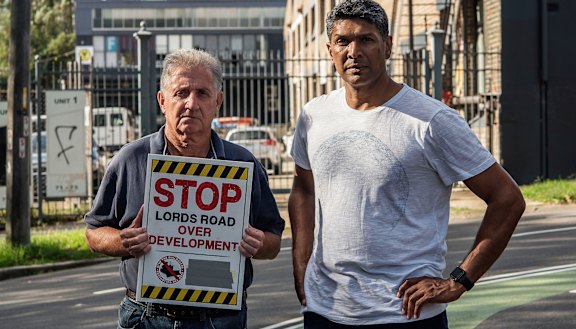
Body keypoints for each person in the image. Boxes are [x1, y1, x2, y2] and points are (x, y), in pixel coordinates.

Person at [288, 0, 526, 328]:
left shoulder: (431, 120)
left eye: (366, 40)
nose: (354, 51)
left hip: (405, 314)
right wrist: (301, 262)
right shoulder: (314, 115)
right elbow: (303, 188)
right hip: (325, 310)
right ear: (330, 50)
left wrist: (459, 280)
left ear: (387, 47)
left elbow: (507, 198)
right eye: (343, 41)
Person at [85, 48, 284, 329]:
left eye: (202, 93)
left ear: (218, 102)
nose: (191, 103)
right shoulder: (131, 159)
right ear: (162, 101)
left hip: (220, 318)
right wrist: (123, 242)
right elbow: (94, 233)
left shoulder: (243, 165)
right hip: (145, 316)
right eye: (181, 93)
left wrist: (259, 243)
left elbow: (273, 241)